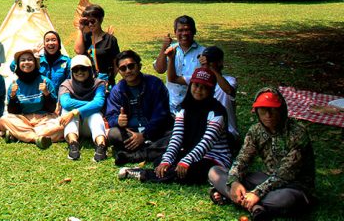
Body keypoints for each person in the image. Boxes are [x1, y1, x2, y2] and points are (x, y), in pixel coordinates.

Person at [208, 87, 315, 220]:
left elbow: (286, 173)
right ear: (257, 111)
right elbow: (242, 159)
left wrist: (257, 193)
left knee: (284, 199)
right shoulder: (256, 131)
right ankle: (255, 207)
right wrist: (234, 182)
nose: (268, 115)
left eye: (273, 110)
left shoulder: (298, 133)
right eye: (263, 110)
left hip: (294, 186)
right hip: (266, 178)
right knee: (215, 172)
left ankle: (235, 197)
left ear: (281, 110)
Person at [118, 68, 231, 184]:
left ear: (211, 90)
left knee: (189, 172)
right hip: (191, 152)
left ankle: (144, 174)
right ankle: (163, 171)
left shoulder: (217, 112)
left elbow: (207, 142)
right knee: (160, 161)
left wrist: (186, 161)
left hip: (215, 157)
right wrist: (166, 161)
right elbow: (176, 137)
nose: (198, 90)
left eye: (204, 87)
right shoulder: (184, 108)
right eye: (196, 85)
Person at [106, 50, 173, 165]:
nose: (128, 71)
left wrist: (144, 135)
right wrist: (117, 120)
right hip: (131, 133)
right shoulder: (117, 90)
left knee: (177, 134)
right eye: (123, 68)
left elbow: (161, 114)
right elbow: (111, 116)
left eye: (131, 66)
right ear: (119, 71)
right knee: (113, 134)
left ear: (139, 66)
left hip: (155, 131)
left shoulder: (155, 84)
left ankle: (136, 154)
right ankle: (153, 148)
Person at [172, 45, 239, 148]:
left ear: (220, 62)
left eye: (210, 61)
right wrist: (171, 58)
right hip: (202, 129)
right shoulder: (199, 79)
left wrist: (212, 69)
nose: (205, 64)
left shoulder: (230, 80)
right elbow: (173, 79)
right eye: (203, 61)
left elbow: (229, 90)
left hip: (226, 133)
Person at [0, 49, 63, 149]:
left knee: (61, 125)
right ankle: (36, 138)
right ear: (18, 64)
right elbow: (12, 111)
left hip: (44, 119)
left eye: (30, 59)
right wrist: (13, 96)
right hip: (24, 119)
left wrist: (46, 93)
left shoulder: (45, 81)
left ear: (35, 63)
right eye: (23, 60)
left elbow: (51, 109)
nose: (26, 63)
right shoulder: (14, 84)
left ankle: (19, 135)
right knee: (4, 119)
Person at [58, 55, 108, 161]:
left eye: (83, 68)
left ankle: (101, 145)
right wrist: (91, 105)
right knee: (67, 110)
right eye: (76, 69)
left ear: (90, 70)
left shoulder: (99, 83)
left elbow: (99, 102)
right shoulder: (66, 85)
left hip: (90, 125)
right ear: (71, 71)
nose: (79, 72)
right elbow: (66, 103)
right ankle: (73, 144)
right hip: (75, 126)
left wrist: (76, 111)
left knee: (94, 114)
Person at [153, 15, 205, 114]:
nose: (184, 33)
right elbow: (160, 69)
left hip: (194, 105)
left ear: (194, 31)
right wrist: (164, 48)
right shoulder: (170, 49)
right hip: (170, 104)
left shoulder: (203, 52)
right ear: (175, 32)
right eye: (180, 30)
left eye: (187, 30)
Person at [74, 4, 120, 86]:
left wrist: (110, 79)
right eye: (87, 22)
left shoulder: (110, 39)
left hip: (105, 82)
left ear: (100, 20)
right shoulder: (85, 37)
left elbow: (116, 63)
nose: (90, 25)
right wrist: (80, 29)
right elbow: (78, 51)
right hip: (87, 80)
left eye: (93, 21)